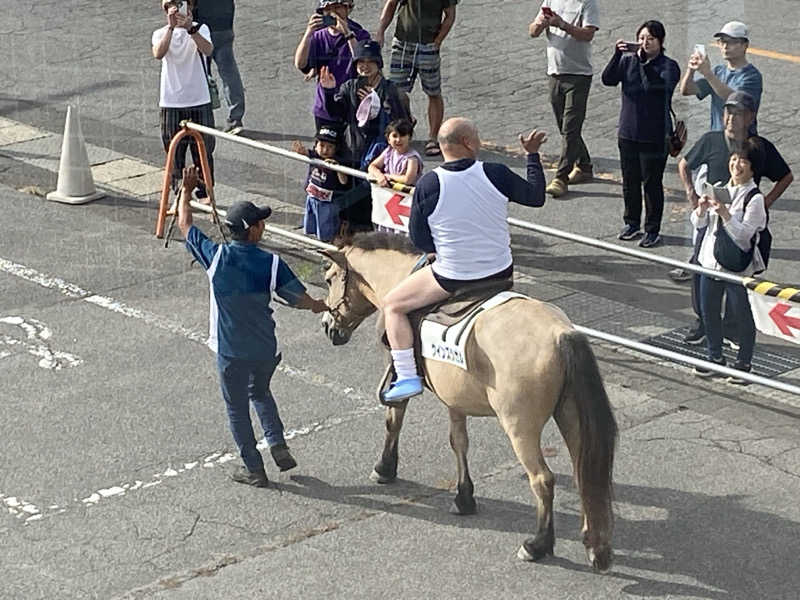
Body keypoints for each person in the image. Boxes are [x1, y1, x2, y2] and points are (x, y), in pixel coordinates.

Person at [177, 166, 328, 487]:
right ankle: (277, 441)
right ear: (253, 230)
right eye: (261, 221)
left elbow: (184, 224)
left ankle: (254, 469)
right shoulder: (271, 263)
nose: (264, 224)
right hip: (265, 350)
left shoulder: (215, 257)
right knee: (259, 391)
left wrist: (186, 192)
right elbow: (298, 299)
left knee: (237, 409)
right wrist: (318, 305)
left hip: (230, 352)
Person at [380, 118, 547, 403]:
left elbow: (418, 238)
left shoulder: (429, 184)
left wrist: (436, 251)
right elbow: (536, 197)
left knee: (392, 305)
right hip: (501, 271)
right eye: (477, 136)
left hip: (453, 276)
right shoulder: (496, 173)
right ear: (468, 143)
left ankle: (407, 376)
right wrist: (532, 155)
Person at [677, 91, 793, 345]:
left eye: (737, 114)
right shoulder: (711, 140)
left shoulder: (758, 148)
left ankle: (731, 328)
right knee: (701, 270)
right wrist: (691, 195)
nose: (731, 118)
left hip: (740, 223)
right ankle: (703, 322)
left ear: (750, 117)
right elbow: (684, 164)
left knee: (738, 276)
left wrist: (765, 201)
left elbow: (786, 176)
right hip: (710, 221)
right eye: (728, 112)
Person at [690, 141, 767, 384]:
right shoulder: (720, 188)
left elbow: (744, 236)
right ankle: (715, 357)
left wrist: (725, 214)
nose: (736, 165)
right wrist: (701, 210)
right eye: (734, 159)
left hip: (737, 267)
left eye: (743, 161)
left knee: (742, 315)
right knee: (709, 311)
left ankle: (744, 363)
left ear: (753, 168)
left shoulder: (754, 199)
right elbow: (699, 225)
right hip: (709, 260)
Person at [601, 20, 680, 248]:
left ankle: (652, 229)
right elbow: (608, 79)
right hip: (628, 133)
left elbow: (654, 88)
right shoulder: (628, 61)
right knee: (630, 181)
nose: (645, 43)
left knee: (652, 183)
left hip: (654, 136)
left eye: (651, 39)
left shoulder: (669, 66)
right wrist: (617, 55)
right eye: (642, 38)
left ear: (661, 42)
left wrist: (643, 63)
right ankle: (631, 223)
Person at [321, 40, 411, 231]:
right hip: (351, 151)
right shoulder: (349, 86)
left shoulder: (390, 89)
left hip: (379, 156)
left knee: (374, 200)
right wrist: (329, 91)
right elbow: (336, 113)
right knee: (350, 202)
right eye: (361, 61)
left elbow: (401, 124)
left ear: (379, 64)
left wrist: (376, 105)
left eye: (370, 61)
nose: (365, 66)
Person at [529, 0, 600, 198]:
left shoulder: (587, 3)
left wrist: (562, 24)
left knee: (570, 128)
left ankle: (561, 178)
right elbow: (532, 31)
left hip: (579, 75)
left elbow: (588, 34)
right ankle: (584, 165)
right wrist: (540, 24)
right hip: (555, 73)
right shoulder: (552, 0)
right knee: (565, 126)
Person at [375, 0, 458, 157]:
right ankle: (404, 125)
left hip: (429, 45)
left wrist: (438, 41)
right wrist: (380, 31)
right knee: (395, 91)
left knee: (433, 92)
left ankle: (433, 138)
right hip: (402, 43)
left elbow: (450, 15)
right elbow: (391, 4)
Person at [152, 0, 216, 198]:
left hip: (199, 98)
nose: (176, 9)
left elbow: (208, 50)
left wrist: (190, 29)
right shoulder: (160, 33)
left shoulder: (201, 28)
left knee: (204, 150)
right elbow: (158, 53)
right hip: (171, 101)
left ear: (190, 7)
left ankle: (206, 193)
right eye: (171, 5)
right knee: (174, 152)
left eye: (180, 4)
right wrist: (171, 28)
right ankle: (179, 193)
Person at [294, 0, 370, 135]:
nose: (333, 13)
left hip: (352, 107)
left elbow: (364, 64)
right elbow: (300, 64)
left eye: (337, 7)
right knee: (325, 146)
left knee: (352, 147)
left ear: (348, 9)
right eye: (328, 9)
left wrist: (347, 34)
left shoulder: (359, 34)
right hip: (325, 107)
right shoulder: (318, 36)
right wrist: (308, 33)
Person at [679, 21, 762, 135]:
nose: (725, 46)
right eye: (722, 41)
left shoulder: (752, 76)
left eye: (731, 42)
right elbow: (686, 90)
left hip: (741, 140)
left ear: (745, 45)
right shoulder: (718, 71)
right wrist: (691, 70)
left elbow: (736, 100)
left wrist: (708, 74)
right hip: (717, 138)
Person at [193, 0, 246, 134]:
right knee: (229, 73)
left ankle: (202, 116)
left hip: (201, 26)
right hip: (224, 24)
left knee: (200, 72)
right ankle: (235, 118)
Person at [292, 127, 350, 242]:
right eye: (322, 145)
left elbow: (344, 181)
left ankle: (328, 241)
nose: (325, 150)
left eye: (330, 147)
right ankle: (313, 237)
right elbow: (306, 152)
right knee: (311, 222)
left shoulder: (336, 161)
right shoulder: (314, 156)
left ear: (336, 149)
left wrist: (337, 168)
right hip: (312, 197)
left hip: (327, 202)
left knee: (327, 227)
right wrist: (300, 151)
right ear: (316, 145)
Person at [368, 118, 423, 188]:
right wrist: (379, 175)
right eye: (394, 136)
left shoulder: (412, 158)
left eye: (402, 135)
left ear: (410, 138)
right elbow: (372, 166)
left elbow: (408, 180)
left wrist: (388, 176)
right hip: (391, 190)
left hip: (407, 192)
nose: (398, 140)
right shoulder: (388, 152)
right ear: (388, 139)